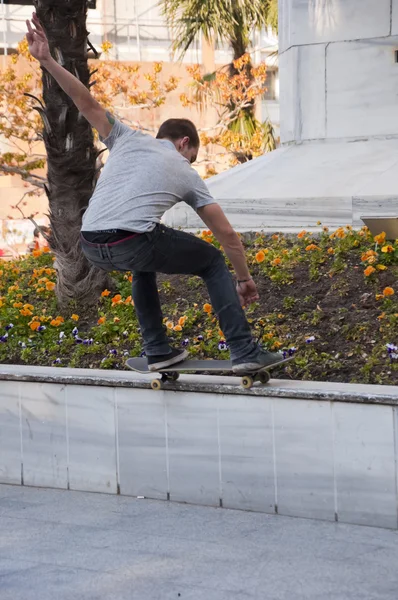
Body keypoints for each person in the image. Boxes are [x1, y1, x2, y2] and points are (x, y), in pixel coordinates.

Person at [26, 13, 287, 373]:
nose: (191, 165)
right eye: (192, 157)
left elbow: (85, 103)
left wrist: (48, 61)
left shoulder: (125, 137)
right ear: (184, 144)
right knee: (211, 261)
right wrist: (243, 279)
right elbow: (225, 234)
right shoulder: (184, 171)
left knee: (141, 265)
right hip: (128, 238)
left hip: (89, 242)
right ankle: (244, 351)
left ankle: (158, 350)